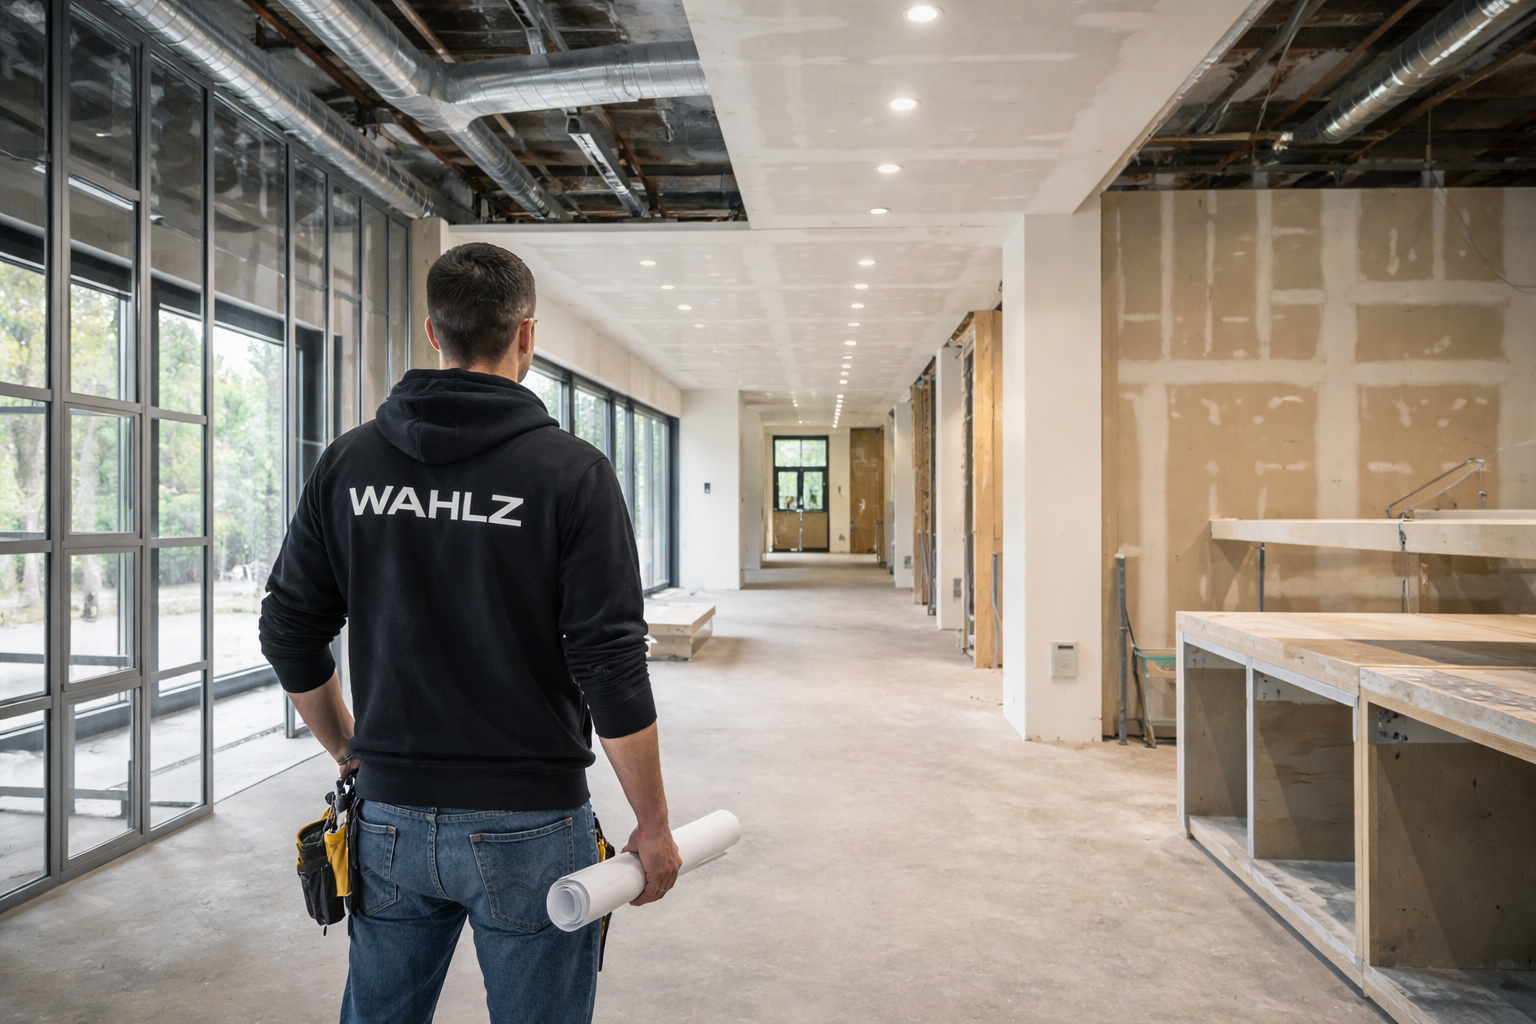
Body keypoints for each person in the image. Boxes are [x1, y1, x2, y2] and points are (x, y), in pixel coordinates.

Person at [259, 242, 681, 1024]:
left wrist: (350, 749)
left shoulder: (349, 464)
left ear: (432, 331)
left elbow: (288, 629)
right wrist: (652, 826)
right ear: (526, 335)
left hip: (388, 819)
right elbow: (610, 667)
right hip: (528, 823)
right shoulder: (572, 474)